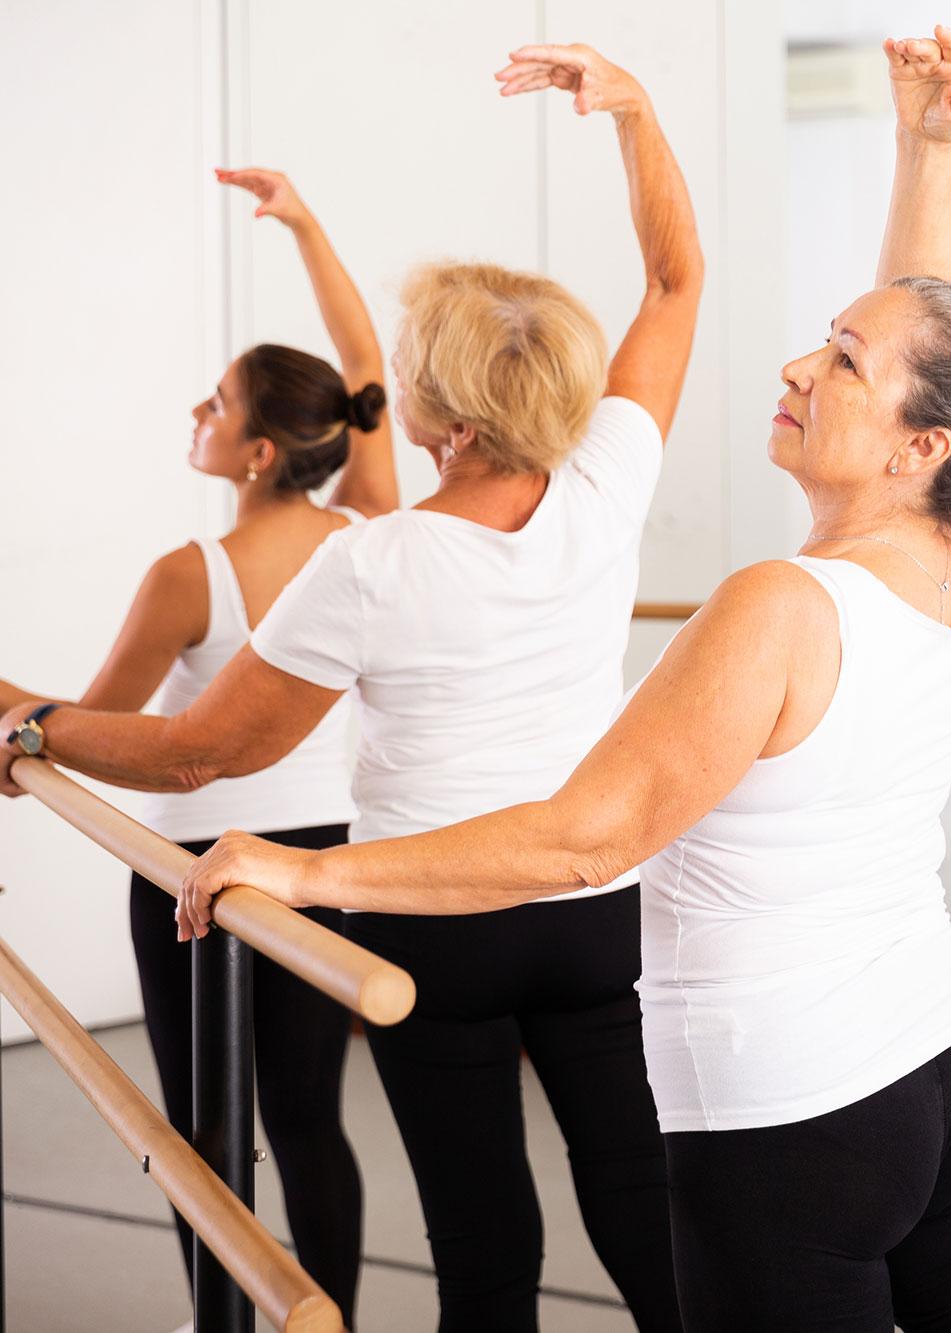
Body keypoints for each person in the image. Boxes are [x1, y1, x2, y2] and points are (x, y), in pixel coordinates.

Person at [163, 29, 951, 1332]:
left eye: (838, 362)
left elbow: (585, 837)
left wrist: (309, 872)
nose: (796, 368)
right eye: (823, 341)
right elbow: (934, 332)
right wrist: (926, 150)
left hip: (794, 1106)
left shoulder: (778, 607)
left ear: (917, 445)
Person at [6, 43, 699, 1331]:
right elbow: (672, 277)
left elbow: (196, 757)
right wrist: (636, 118)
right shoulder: (608, 483)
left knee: (485, 1244)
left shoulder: (368, 561)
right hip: (591, 897)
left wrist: (30, 724)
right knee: (639, 1200)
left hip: (440, 914)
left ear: (442, 419)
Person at [0, 167, 394, 1329]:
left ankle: (217, 1313)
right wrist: (315, 229)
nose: (198, 414)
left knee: (196, 1125)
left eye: (216, 405)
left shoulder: (189, 573)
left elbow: (102, 736)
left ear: (263, 450)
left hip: (192, 873)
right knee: (311, 1118)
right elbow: (364, 374)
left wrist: (21, 709)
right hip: (324, 861)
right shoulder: (368, 536)